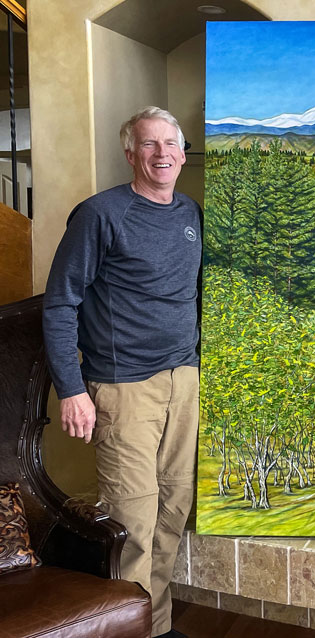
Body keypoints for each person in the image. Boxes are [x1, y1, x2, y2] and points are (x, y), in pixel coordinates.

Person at [43, 106, 201, 638]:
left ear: (182, 152)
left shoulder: (190, 214)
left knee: (173, 513)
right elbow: (61, 303)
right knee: (133, 524)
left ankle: (153, 628)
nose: (162, 154)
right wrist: (71, 388)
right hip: (123, 388)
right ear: (130, 154)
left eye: (170, 144)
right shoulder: (99, 214)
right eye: (149, 145)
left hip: (186, 381)